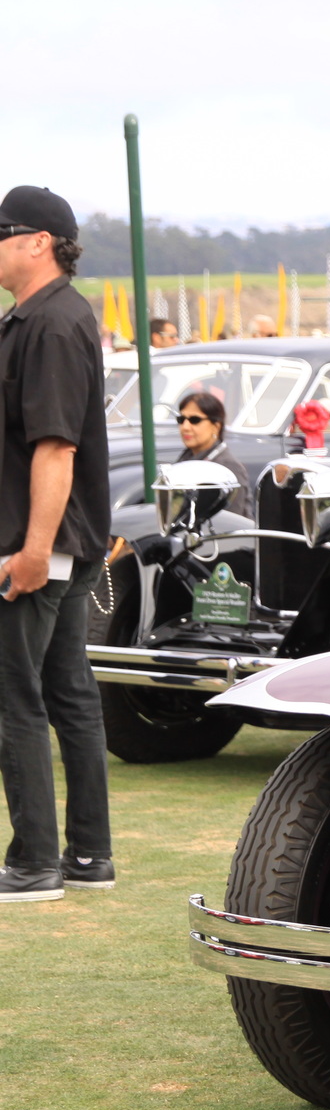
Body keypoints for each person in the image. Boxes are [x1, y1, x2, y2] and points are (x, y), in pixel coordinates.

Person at [0, 185, 114, 902]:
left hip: (39, 544)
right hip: (62, 540)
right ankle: (88, 856)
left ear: (39, 240)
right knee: (68, 691)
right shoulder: (42, 317)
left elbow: (55, 448)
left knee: (17, 697)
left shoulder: (51, 322)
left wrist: (35, 549)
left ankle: (35, 861)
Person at [173, 390, 250, 507]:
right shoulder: (186, 458)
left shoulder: (228, 467)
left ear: (216, 426)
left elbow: (233, 520)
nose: (185, 427)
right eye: (181, 419)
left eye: (195, 420)